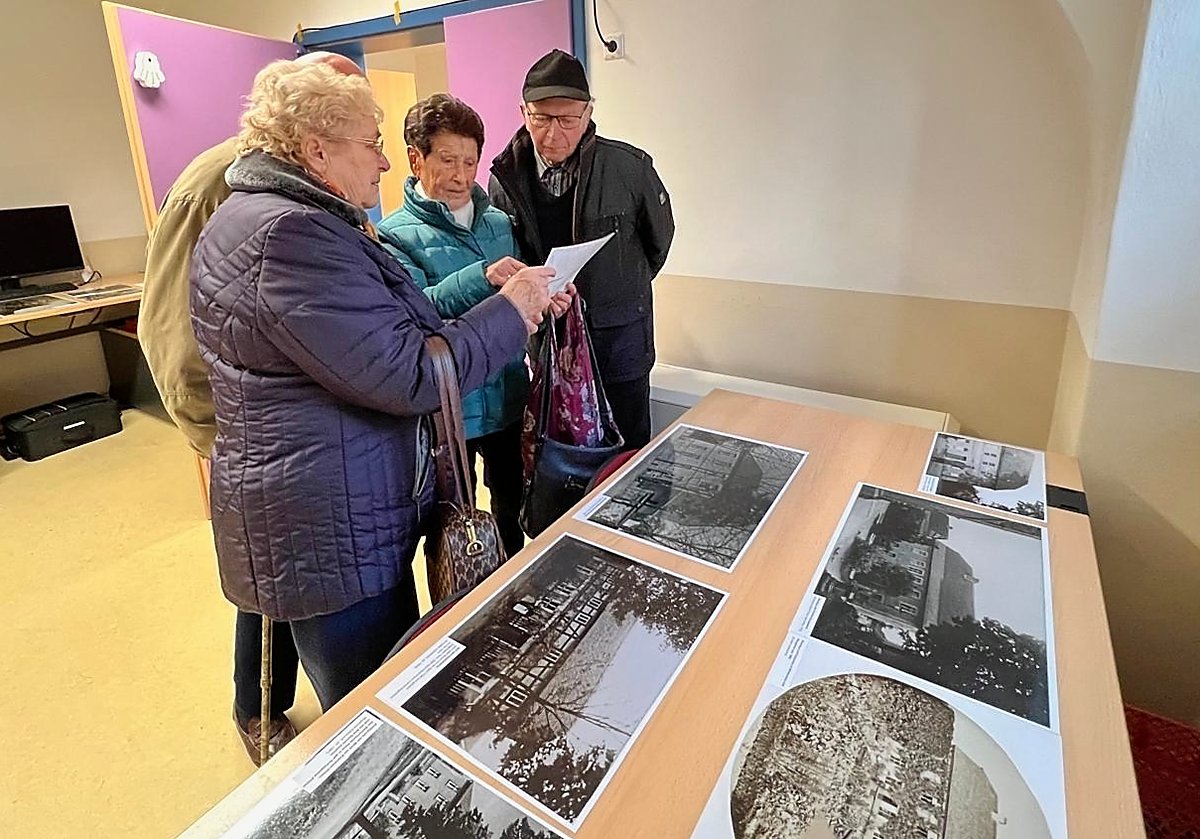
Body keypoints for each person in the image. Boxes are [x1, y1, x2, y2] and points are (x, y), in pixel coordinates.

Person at [190, 60, 554, 713]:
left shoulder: (270, 215)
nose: (385, 164)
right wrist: (512, 311)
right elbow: (408, 369)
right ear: (317, 149)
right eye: (373, 144)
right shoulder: (293, 236)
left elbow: (388, 324)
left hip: (323, 500)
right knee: (374, 708)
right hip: (332, 523)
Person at [137, 50, 363, 764]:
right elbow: (167, 318)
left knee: (273, 568)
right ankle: (255, 708)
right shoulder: (221, 181)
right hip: (239, 417)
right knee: (264, 576)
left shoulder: (303, 181)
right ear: (310, 119)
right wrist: (214, 421)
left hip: (289, 416)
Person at [378, 94, 572, 558]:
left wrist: (548, 297)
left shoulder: (499, 222)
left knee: (513, 509)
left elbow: (519, 297)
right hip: (448, 407)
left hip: (507, 392)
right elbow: (417, 311)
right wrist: (480, 276)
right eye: (447, 160)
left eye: (470, 161)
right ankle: (456, 610)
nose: (461, 176)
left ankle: (511, 593)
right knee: (450, 526)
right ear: (415, 159)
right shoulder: (392, 234)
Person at [490, 49, 675, 450]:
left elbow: (657, 244)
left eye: (568, 120)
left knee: (627, 454)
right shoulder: (504, 178)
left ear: (588, 113)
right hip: (547, 342)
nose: (553, 134)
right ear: (523, 111)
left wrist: (617, 287)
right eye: (541, 118)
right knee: (557, 455)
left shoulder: (629, 168)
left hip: (619, 341)